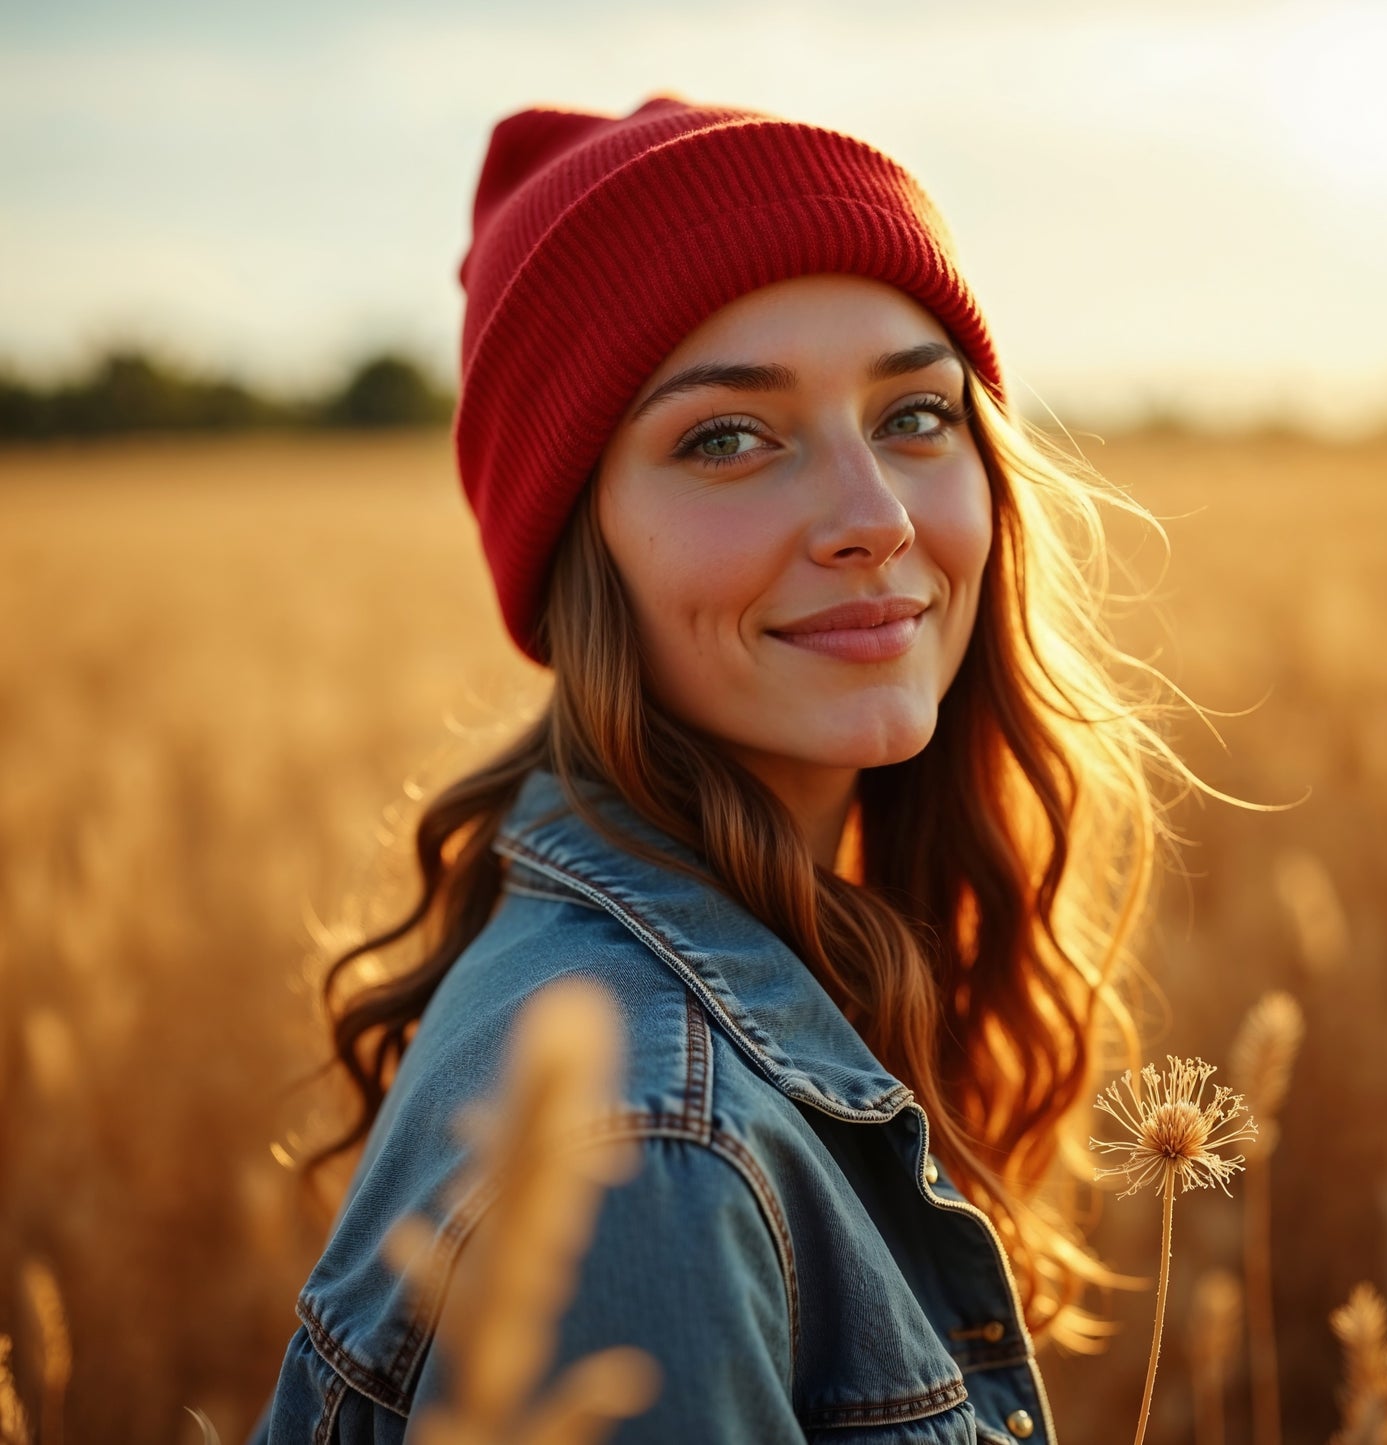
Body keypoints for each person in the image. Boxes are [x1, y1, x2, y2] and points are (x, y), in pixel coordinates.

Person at [247, 92, 1198, 1443]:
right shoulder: (643, 1155)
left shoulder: (689, 994)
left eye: (915, 413)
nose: (871, 518)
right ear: (584, 548)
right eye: (727, 438)